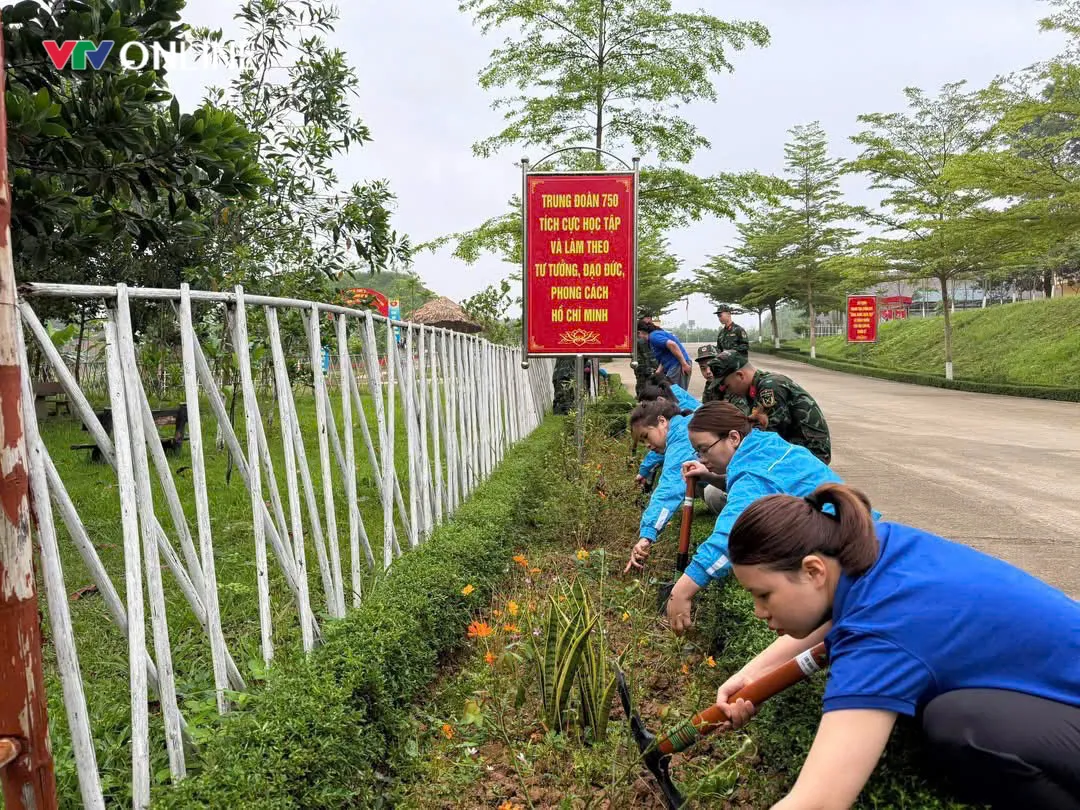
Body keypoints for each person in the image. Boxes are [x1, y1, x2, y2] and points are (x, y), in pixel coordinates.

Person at [713, 483, 1080, 810]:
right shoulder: (873, 547)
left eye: (763, 595)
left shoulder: (880, 632)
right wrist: (752, 674)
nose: (759, 612)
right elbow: (832, 615)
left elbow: (820, 800)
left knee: (960, 726)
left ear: (813, 571)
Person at [628, 401, 852, 633]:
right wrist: (711, 475)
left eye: (704, 449)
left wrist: (683, 589)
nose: (701, 458)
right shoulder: (763, 445)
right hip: (851, 529)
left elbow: (731, 535)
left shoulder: (753, 476)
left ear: (733, 438)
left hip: (843, 558)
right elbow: (757, 483)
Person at [710, 351, 831, 464]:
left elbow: (770, 434)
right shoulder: (755, 388)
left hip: (810, 452)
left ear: (740, 375)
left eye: (727, 386)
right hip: (794, 447)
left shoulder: (770, 387)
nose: (727, 390)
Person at [624, 400, 699, 567]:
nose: (648, 445)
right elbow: (661, 451)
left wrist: (647, 534)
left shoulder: (681, 437)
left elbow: (670, 488)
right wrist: (644, 471)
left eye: (645, 437)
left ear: (662, 421)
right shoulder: (680, 427)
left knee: (708, 492)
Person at [635, 378, 701, 498]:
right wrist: (644, 470)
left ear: (660, 401)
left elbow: (670, 487)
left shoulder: (681, 423)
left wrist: (644, 471)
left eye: (646, 407)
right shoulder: (676, 412)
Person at [637, 319, 692, 389]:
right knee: (670, 393)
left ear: (639, 332)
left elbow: (672, 344)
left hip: (678, 365)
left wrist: (684, 364)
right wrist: (658, 372)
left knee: (675, 394)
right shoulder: (652, 339)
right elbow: (664, 356)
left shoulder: (654, 336)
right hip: (674, 365)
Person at [634, 310, 658, 397]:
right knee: (644, 385)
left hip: (638, 366)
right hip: (644, 367)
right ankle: (642, 399)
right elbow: (648, 354)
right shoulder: (641, 339)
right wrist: (656, 366)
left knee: (640, 383)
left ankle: (639, 397)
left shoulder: (635, 335)